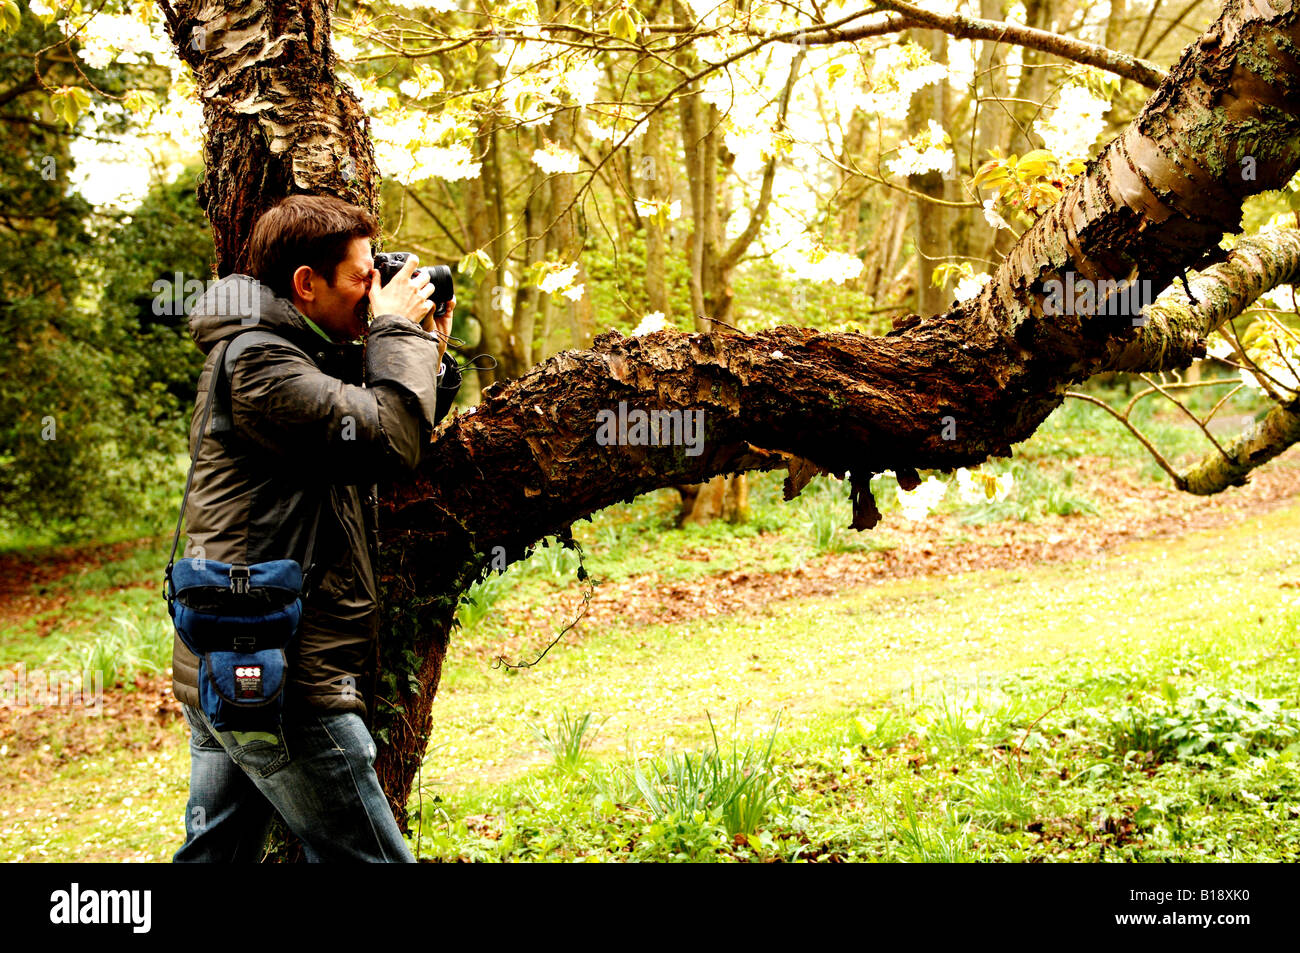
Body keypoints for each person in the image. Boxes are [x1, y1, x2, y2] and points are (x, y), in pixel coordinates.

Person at [171, 195, 460, 862]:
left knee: (216, 856)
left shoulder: (295, 352)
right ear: (307, 282)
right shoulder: (260, 365)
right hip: (285, 678)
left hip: (238, 658)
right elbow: (385, 440)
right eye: (362, 277)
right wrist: (397, 334)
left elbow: (379, 417)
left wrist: (426, 348)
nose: (376, 292)